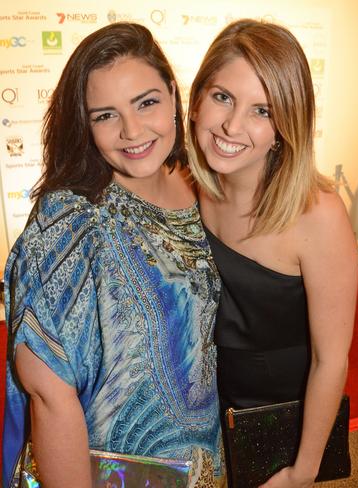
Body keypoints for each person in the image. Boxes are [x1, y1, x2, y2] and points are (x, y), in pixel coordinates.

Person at [3, 22, 225, 488]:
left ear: (171, 93)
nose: (131, 130)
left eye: (146, 103)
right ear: (83, 123)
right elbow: (48, 394)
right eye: (105, 115)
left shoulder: (197, 184)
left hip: (204, 460)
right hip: (110, 475)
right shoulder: (70, 219)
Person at [187, 18, 358, 488]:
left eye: (261, 110)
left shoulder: (317, 214)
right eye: (223, 97)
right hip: (206, 400)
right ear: (198, 98)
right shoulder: (183, 186)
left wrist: (301, 471)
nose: (231, 124)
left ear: (286, 123)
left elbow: (331, 360)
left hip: (281, 416)